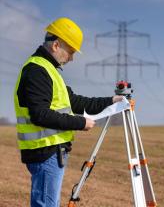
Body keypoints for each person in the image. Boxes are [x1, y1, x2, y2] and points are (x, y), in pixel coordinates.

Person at [13, 17, 123, 207]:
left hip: (51, 151)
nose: (72, 58)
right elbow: (40, 114)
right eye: (71, 51)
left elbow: (76, 102)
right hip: (45, 151)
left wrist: (112, 101)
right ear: (56, 45)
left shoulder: (49, 70)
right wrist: (80, 123)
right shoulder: (37, 71)